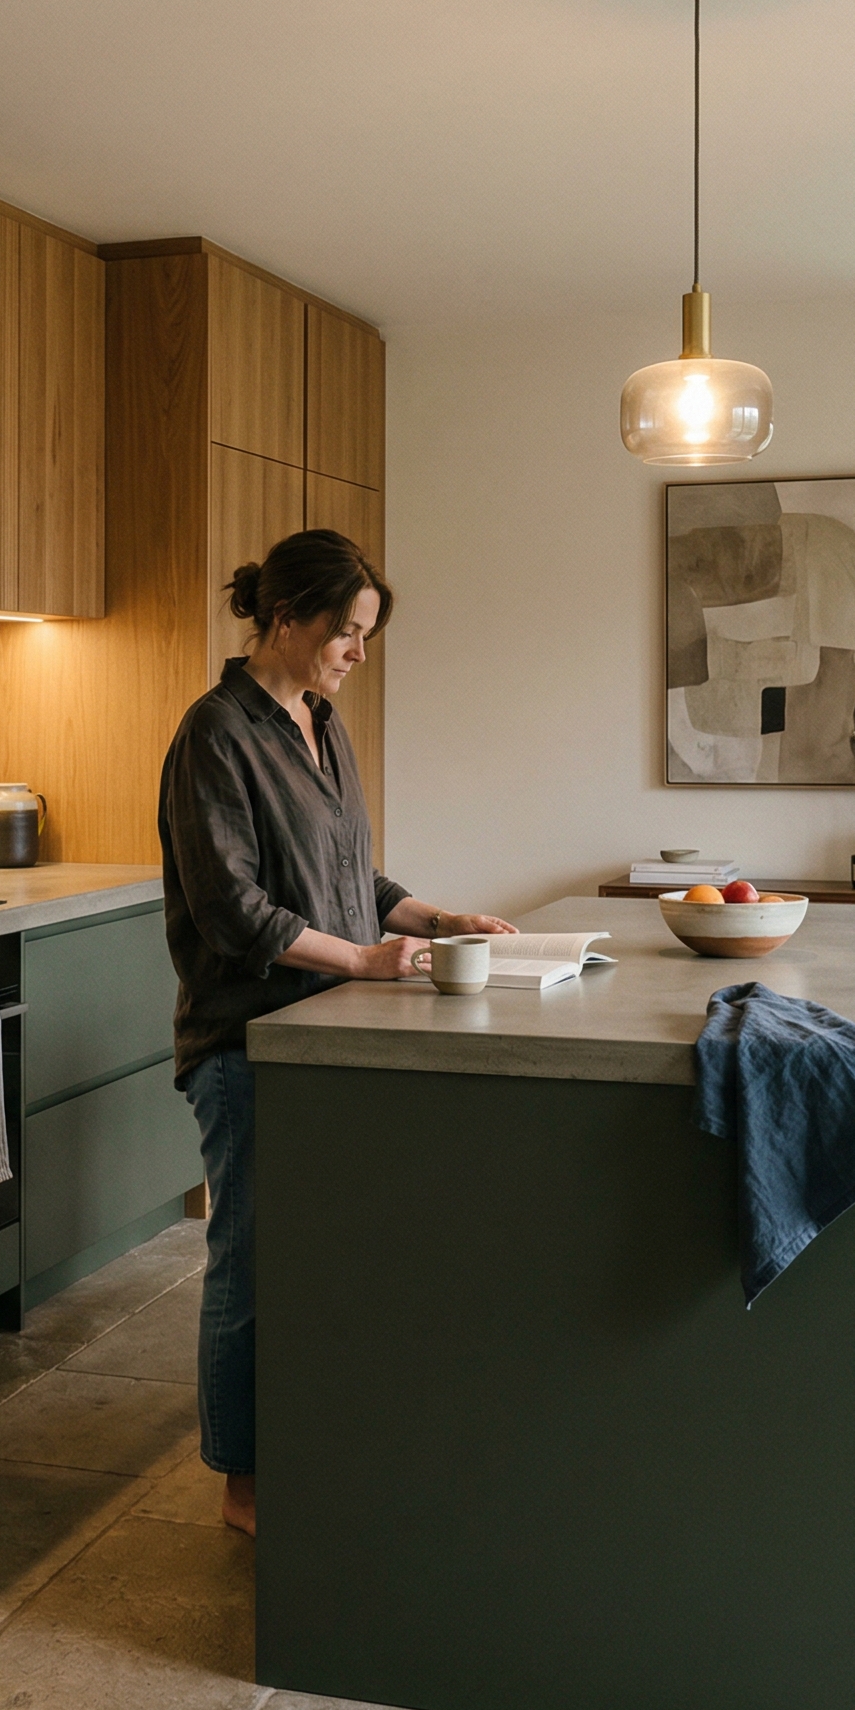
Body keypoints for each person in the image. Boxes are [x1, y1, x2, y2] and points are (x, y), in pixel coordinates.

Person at [158, 528, 515, 1536]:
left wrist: (432, 918)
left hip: (325, 1037)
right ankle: (243, 1480)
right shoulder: (214, 733)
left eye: (364, 635)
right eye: (346, 632)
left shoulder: (319, 720)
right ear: (286, 618)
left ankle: (308, 1439)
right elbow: (233, 909)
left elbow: (353, 875)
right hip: (246, 1044)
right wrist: (362, 959)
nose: (358, 652)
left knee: (323, 1257)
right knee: (253, 1259)